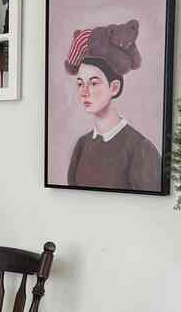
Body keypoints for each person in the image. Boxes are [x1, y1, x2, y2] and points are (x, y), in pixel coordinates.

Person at [65, 19, 161, 191]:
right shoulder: (82, 144)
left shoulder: (141, 148)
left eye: (93, 83)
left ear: (114, 87)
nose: (84, 91)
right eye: (80, 83)